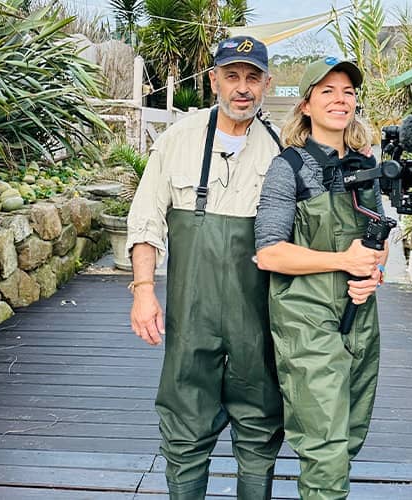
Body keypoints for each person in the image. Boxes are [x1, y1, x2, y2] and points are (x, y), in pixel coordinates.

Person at [126, 36, 284, 500]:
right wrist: (142, 290)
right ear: (213, 79)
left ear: (266, 84)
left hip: (259, 320)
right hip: (189, 319)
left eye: (252, 78)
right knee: (183, 426)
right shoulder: (178, 139)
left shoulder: (283, 149)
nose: (242, 88)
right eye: (232, 76)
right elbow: (145, 221)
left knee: (259, 427)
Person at [254, 57, 387, 499]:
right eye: (327, 91)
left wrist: (373, 271)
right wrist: (343, 261)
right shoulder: (288, 167)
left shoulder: (366, 165)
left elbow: (377, 237)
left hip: (360, 312)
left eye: (348, 92)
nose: (340, 99)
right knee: (325, 444)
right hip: (306, 315)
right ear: (306, 104)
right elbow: (269, 253)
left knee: (349, 433)